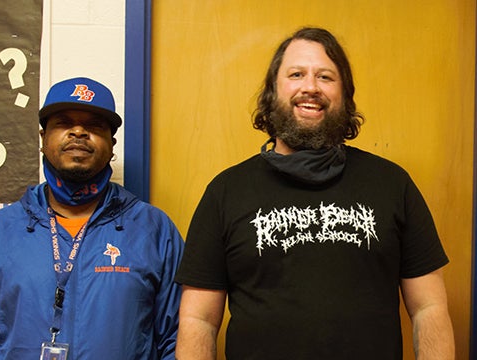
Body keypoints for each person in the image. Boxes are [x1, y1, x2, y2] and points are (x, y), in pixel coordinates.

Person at [174, 27, 455, 360]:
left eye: (325, 77)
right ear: (272, 92)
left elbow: (429, 308)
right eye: (296, 74)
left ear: (345, 95)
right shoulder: (225, 191)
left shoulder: (393, 184)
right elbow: (199, 320)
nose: (310, 87)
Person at [0, 77, 184, 359]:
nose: (78, 131)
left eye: (94, 125)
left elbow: (178, 340)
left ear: (111, 144)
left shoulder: (154, 230)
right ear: (42, 139)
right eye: (63, 122)